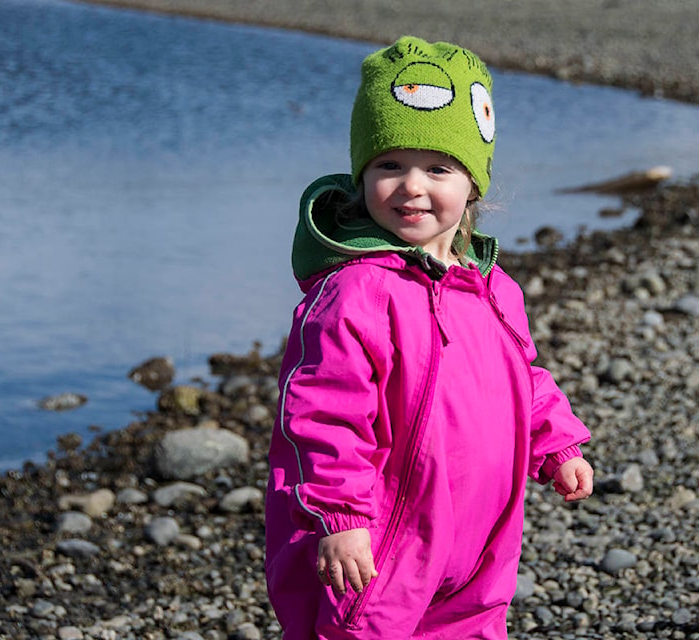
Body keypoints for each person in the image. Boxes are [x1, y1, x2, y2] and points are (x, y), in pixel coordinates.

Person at [265, 35, 594, 639]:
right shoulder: (356, 291)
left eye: (438, 169)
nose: (412, 186)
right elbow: (324, 412)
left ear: (473, 184)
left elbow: (523, 377)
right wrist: (340, 516)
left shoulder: (492, 287)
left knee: (470, 627)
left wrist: (557, 443)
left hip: (479, 530)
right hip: (389, 533)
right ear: (362, 176)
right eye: (389, 165)